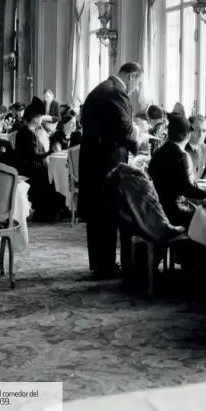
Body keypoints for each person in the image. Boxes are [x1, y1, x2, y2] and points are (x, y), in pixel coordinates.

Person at [78, 61, 143, 279]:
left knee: (99, 216)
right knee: (106, 213)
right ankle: (105, 266)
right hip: (106, 162)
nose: (136, 89)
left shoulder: (101, 89)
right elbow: (124, 130)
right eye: (138, 83)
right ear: (131, 76)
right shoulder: (115, 93)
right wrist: (139, 137)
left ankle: (100, 263)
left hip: (95, 160)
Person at [148, 113, 206, 229]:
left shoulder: (159, 151)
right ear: (188, 135)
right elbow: (188, 189)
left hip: (156, 208)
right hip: (174, 210)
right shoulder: (182, 155)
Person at [16, 98, 65, 221]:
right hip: (30, 169)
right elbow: (34, 155)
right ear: (36, 118)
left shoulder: (25, 131)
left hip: (26, 166)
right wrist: (50, 152)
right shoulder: (29, 133)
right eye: (41, 117)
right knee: (50, 179)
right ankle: (48, 212)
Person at [185, 114, 206, 180]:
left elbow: (204, 173)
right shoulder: (180, 149)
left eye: (204, 131)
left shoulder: (204, 147)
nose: (201, 134)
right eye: (197, 130)